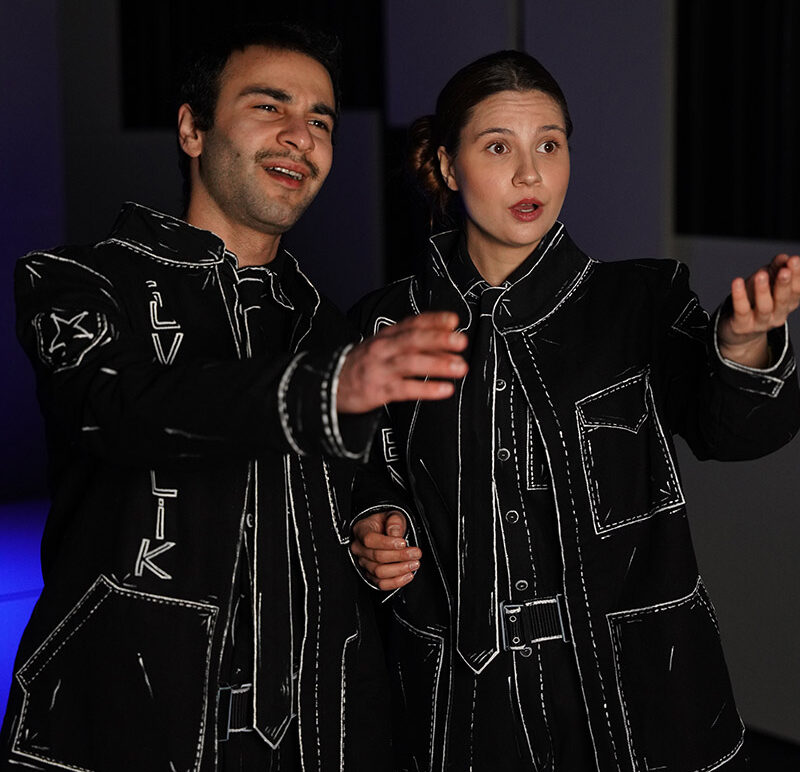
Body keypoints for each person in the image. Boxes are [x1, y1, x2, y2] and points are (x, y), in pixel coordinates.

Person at [0, 23, 468, 772]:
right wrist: (325, 389)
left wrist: (375, 523)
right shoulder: (80, 282)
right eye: (269, 106)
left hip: (323, 731)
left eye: (321, 121)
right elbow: (115, 407)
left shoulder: (330, 327)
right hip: (135, 719)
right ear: (193, 129)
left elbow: (362, 478)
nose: (300, 137)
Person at [349, 50, 800, 771]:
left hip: (625, 691)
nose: (531, 175)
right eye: (499, 147)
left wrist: (743, 347)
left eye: (550, 145)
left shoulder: (640, 302)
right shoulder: (382, 323)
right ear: (446, 165)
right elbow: (356, 469)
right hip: (454, 702)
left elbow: (733, 429)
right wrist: (372, 521)